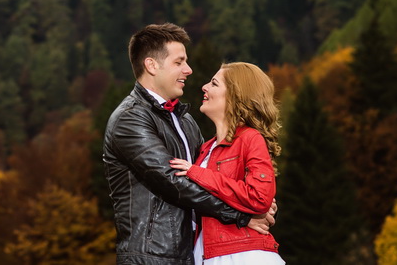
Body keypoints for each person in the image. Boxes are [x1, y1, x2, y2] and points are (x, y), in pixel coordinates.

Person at [103, 23, 275, 265]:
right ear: (152, 65)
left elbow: (209, 177)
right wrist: (242, 215)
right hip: (152, 257)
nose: (189, 70)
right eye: (179, 62)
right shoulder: (130, 119)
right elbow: (172, 181)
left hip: (193, 254)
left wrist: (256, 198)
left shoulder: (185, 121)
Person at [169, 62, 284, 264]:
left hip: (243, 254)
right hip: (207, 253)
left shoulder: (250, 138)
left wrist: (198, 174)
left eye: (214, 83)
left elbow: (259, 198)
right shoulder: (205, 149)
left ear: (235, 96)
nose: (204, 87)